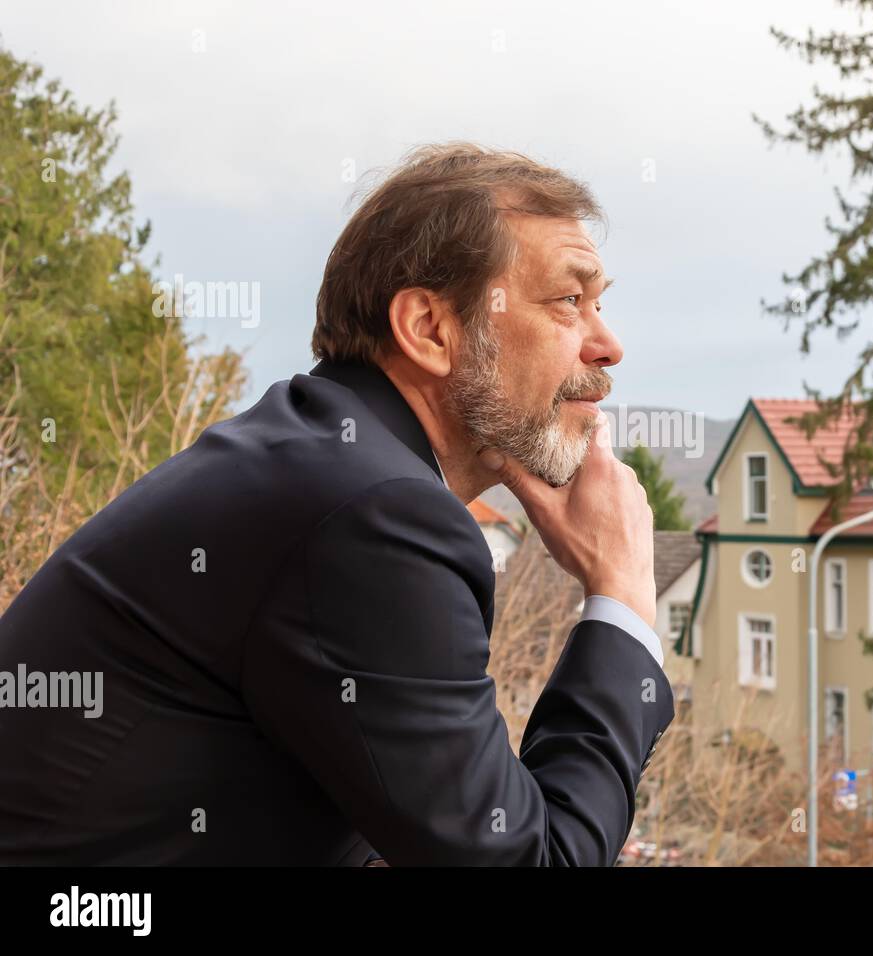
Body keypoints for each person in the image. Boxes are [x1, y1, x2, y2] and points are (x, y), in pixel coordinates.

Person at [0, 143, 674, 865]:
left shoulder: (322, 461)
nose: (609, 346)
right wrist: (623, 597)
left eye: (600, 304)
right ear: (429, 329)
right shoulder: (373, 514)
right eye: (569, 301)